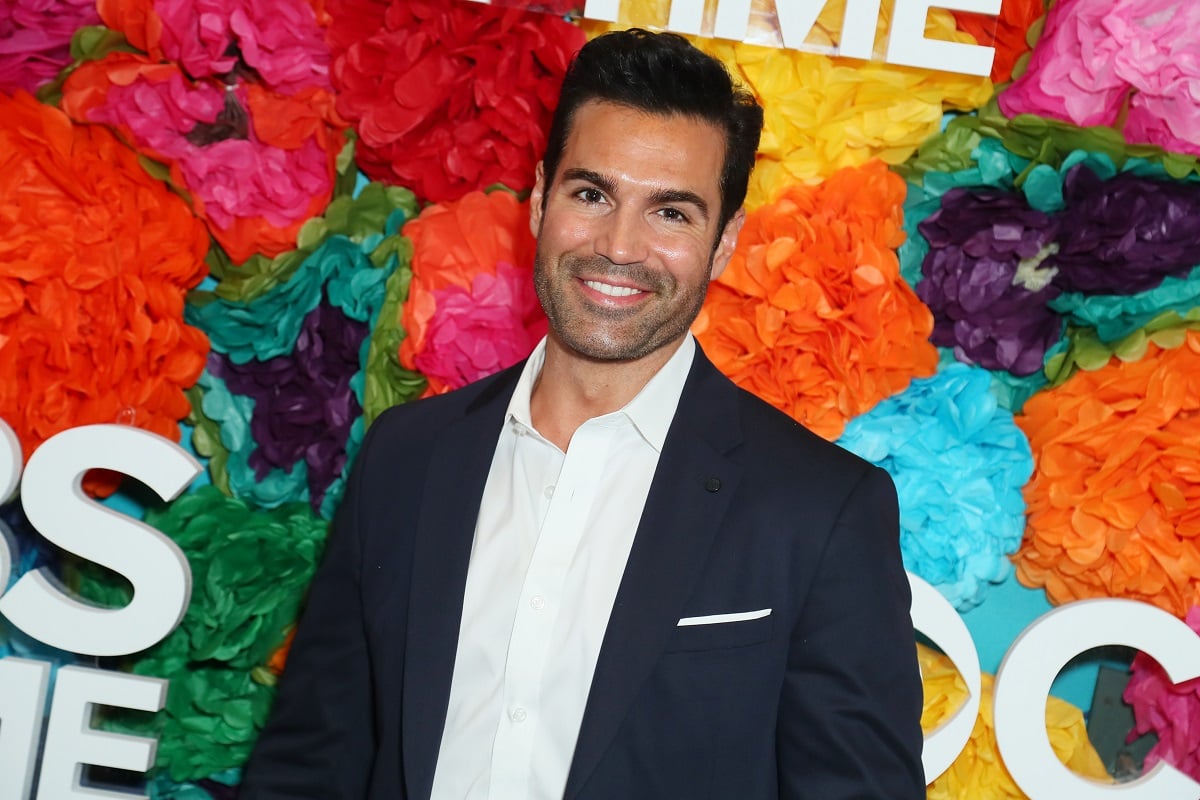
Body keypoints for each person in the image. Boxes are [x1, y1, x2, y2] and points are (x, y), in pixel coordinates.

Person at [240, 28, 924, 799]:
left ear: (725, 241)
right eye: (592, 194)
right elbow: (311, 763)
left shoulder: (818, 510)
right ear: (539, 200)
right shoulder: (408, 457)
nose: (619, 246)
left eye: (671, 213)